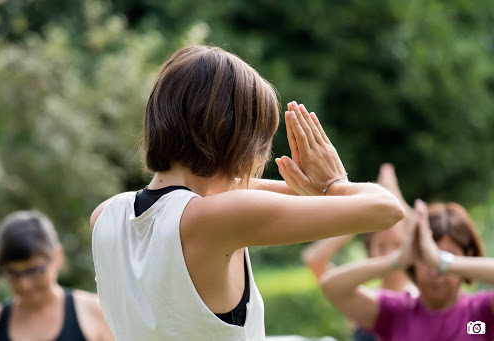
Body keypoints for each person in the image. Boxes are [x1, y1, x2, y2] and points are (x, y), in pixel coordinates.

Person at [90, 45, 404, 341]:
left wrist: (316, 191)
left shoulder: (106, 216)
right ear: (235, 136)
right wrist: (335, 183)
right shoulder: (219, 217)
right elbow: (387, 209)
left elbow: (187, 198)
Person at [318, 200, 494, 341]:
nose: (434, 271)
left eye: (447, 256)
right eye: (426, 259)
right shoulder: (396, 313)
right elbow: (331, 285)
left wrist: (443, 262)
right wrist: (397, 260)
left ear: (467, 255)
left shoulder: (481, 314)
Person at [302, 164, 418, 341]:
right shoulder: (360, 298)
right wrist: (362, 218)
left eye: (397, 245)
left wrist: (396, 202)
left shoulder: (423, 296)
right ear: (370, 250)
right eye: (381, 246)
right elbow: (314, 259)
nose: (389, 253)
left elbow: (426, 234)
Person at [0, 210, 114, 341]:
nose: (24, 284)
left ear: (57, 256)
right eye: (13, 274)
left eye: (34, 271)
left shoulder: (97, 313)